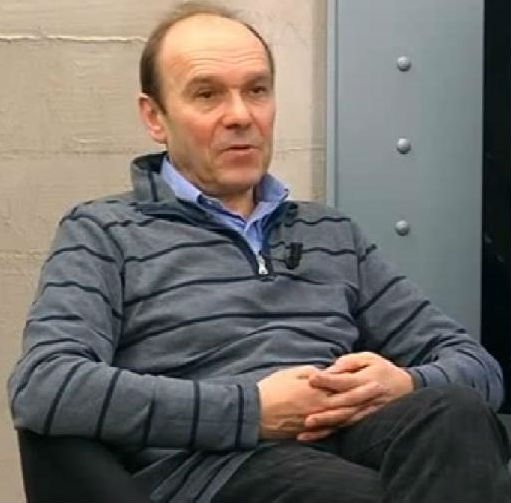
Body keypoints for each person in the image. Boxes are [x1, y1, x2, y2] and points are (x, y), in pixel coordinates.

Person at [8, 2, 510, 502]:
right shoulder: (104, 232)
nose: (241, 116)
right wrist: (251, 410)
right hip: (213, 468)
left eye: (257, 90)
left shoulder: (331, 232)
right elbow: (45, 384)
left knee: (457, 414)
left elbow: (478, 367)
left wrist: (404, 383)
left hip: (343, 441)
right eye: (207, 94)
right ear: (155, 117)